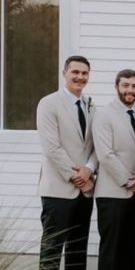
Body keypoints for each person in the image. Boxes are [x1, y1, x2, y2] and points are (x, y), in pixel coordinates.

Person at [36, 55, 96, 270]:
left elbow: (94, 146)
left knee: (77, 250)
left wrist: (89, 170)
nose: (80, 77)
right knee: (52, 249)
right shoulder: (49, 103)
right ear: (65, 73)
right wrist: (77, 177)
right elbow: (52, 148)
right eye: (75, 72)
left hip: (85, 191)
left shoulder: (90, 106)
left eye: (84, 73)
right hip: (59, 189)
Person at [92, 69, 135, 270]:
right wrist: (128, 181)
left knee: (130, 247)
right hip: (112, 192)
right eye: (125, 85)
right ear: (117, 87)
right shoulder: (104, 115)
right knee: (111, 248)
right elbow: (105, 154)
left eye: (134, 86)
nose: (130, 90)